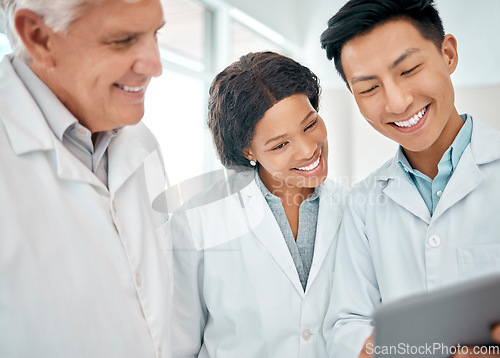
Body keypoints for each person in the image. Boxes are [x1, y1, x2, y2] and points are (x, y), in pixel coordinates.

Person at [319, 0, 500, 357]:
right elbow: (346, 325)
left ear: (448, 54)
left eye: (409, 69)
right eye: (369, 89)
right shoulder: (363, 204)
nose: (398, 102)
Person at [0, 0, 171, 357]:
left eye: (155, 33)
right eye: (123, 39)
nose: (155, 66)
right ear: (39, 37)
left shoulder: (141, 143)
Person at [169, 51, 346, 358]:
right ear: (247, 150)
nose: (307, 150)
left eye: (310, 124)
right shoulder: (197, 221)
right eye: (280, 144)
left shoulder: (354, 211)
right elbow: (177, 343)